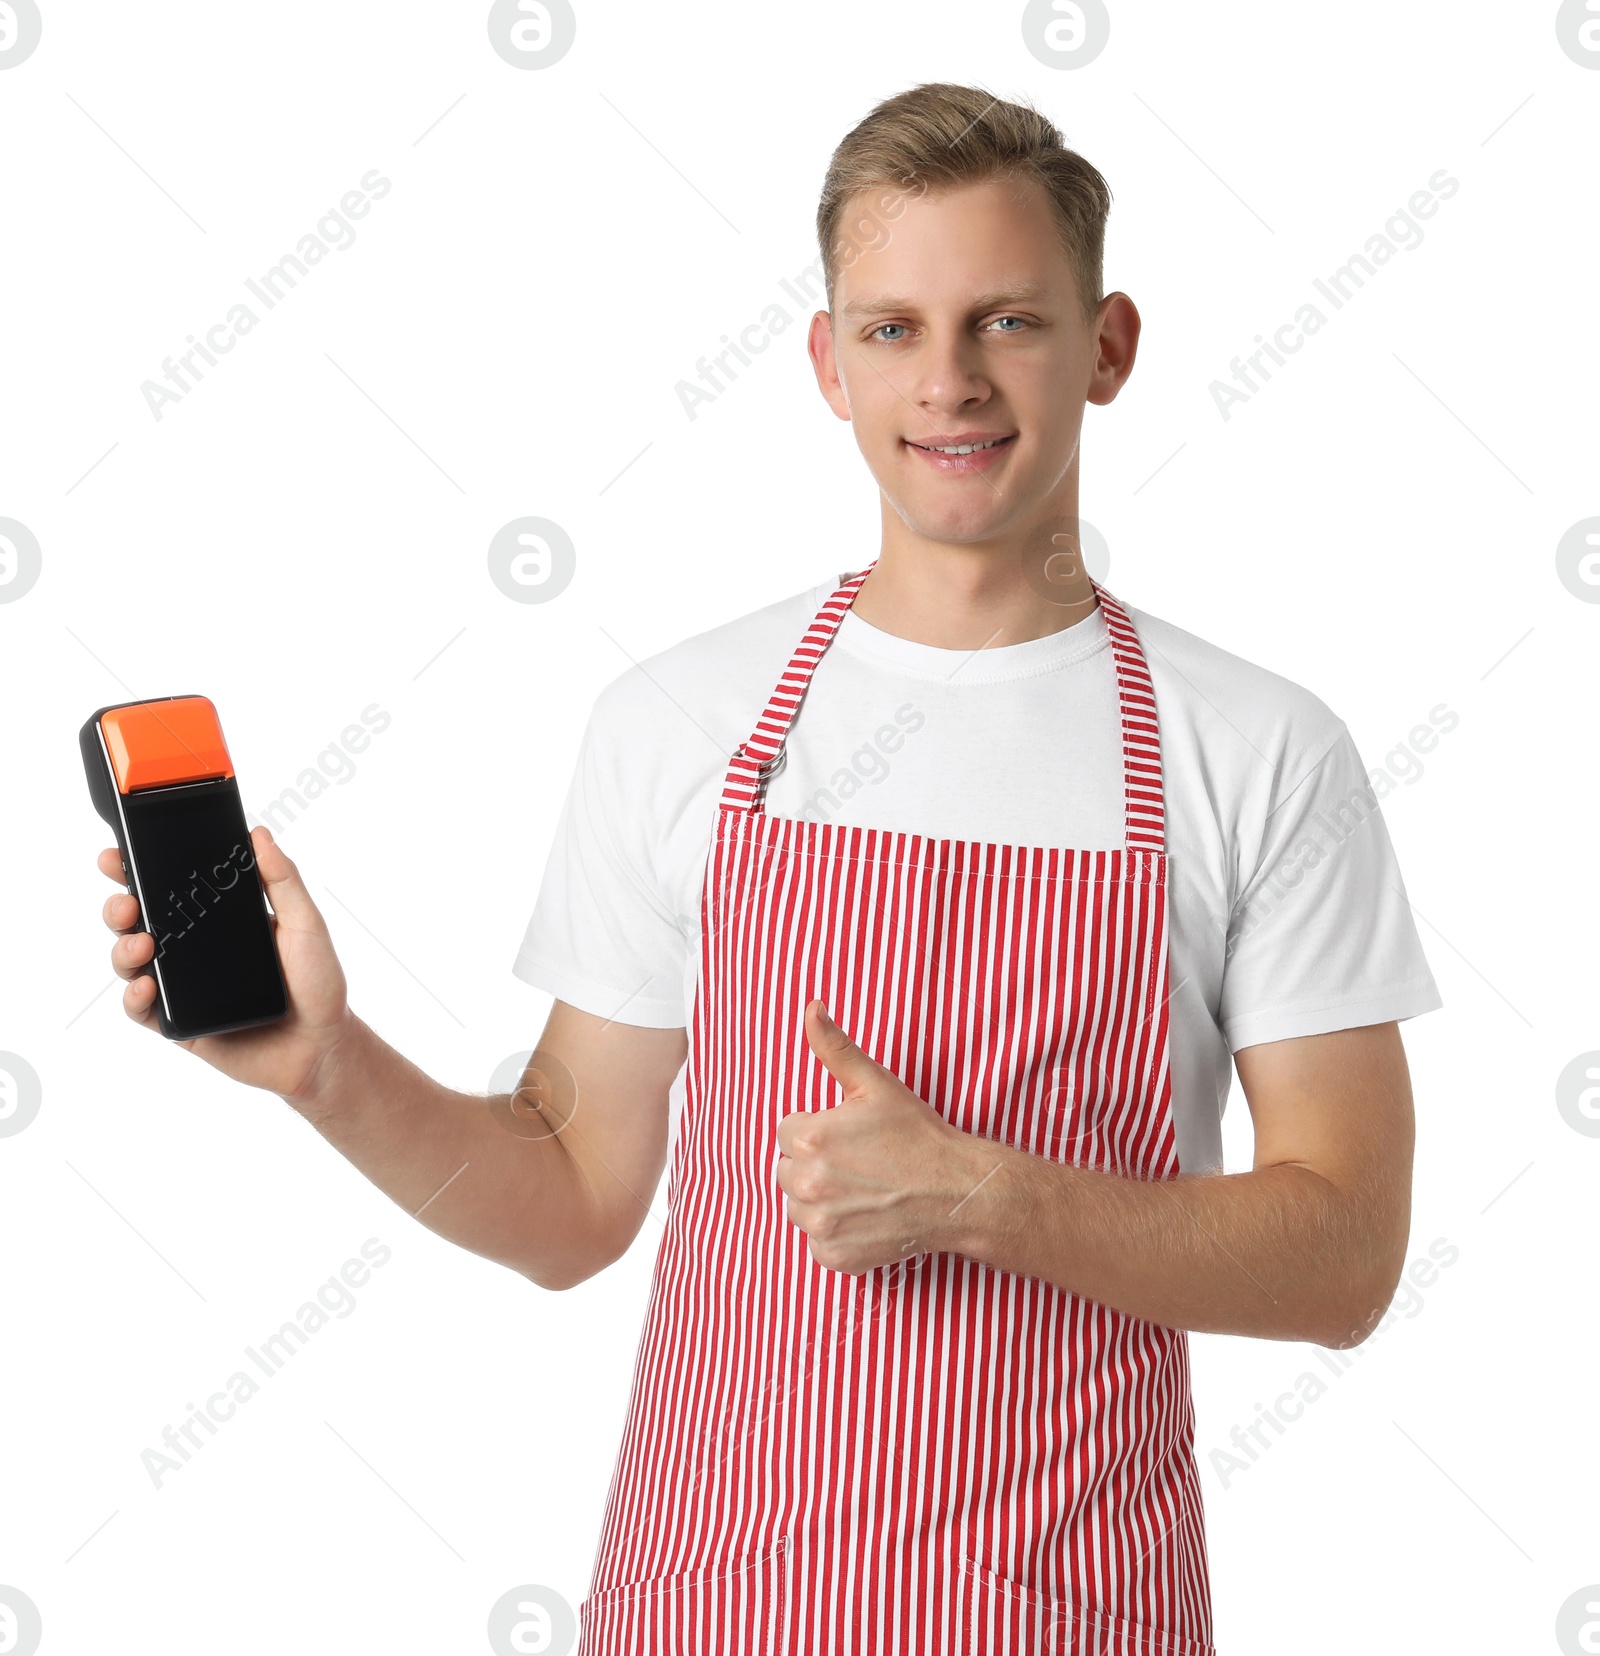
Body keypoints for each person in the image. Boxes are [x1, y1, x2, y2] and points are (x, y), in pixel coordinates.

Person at [97, 82, 1442, 1656]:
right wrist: (328, 1069)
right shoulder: (677, 723)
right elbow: (575, 1206)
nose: (947, 382)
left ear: (1109, 345)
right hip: (706, 1608)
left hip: (1079, 1617)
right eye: (891, 329)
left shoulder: (1263, 752)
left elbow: (1345, 1256)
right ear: (826, 363)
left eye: (1006, 320)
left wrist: (988, 1200)